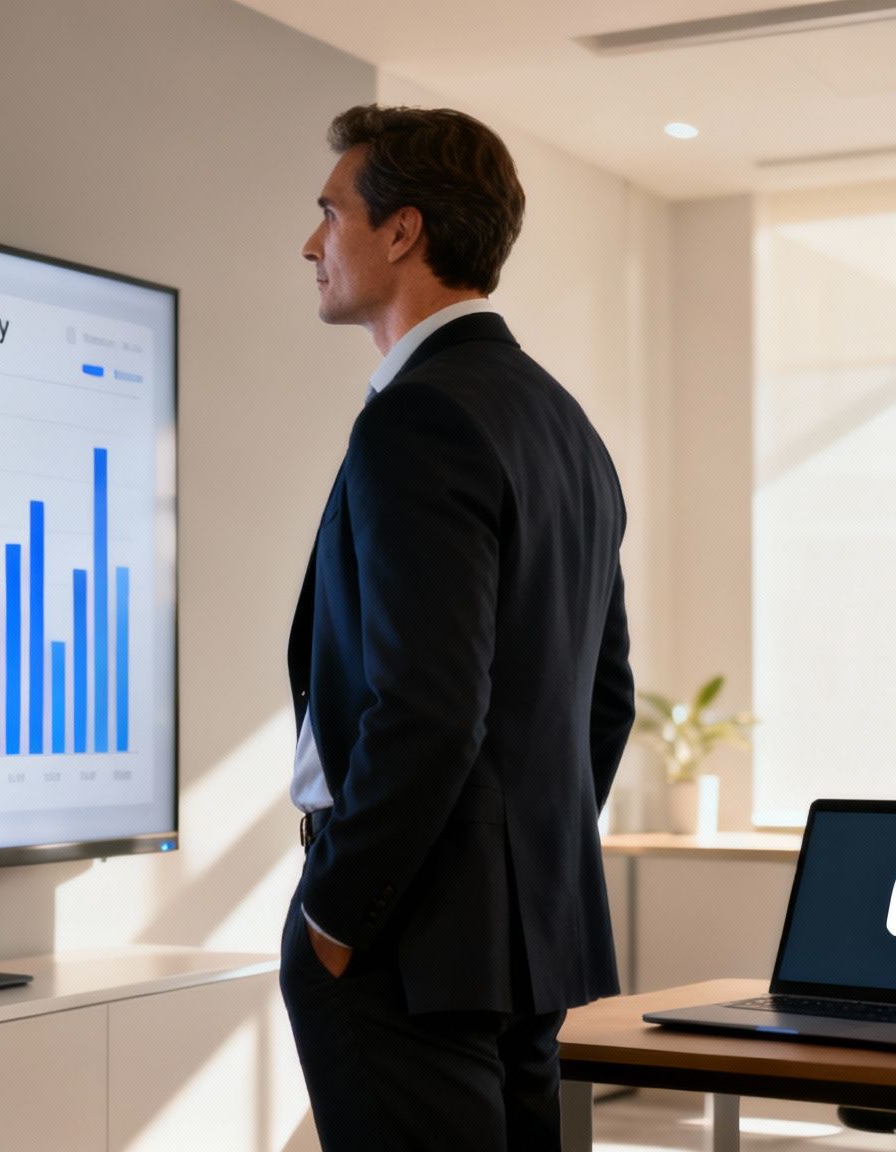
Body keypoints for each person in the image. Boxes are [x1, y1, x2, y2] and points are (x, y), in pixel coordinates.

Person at [281, 104, 634, 1150]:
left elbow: (427, 709)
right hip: (519, 939)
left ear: (402, 232)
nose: (310, 243)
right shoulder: (563, 424)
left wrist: (336, 917)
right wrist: (516, 860)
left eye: (329, 212)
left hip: (404, 938)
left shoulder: (417, 417)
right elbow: (601, 702)